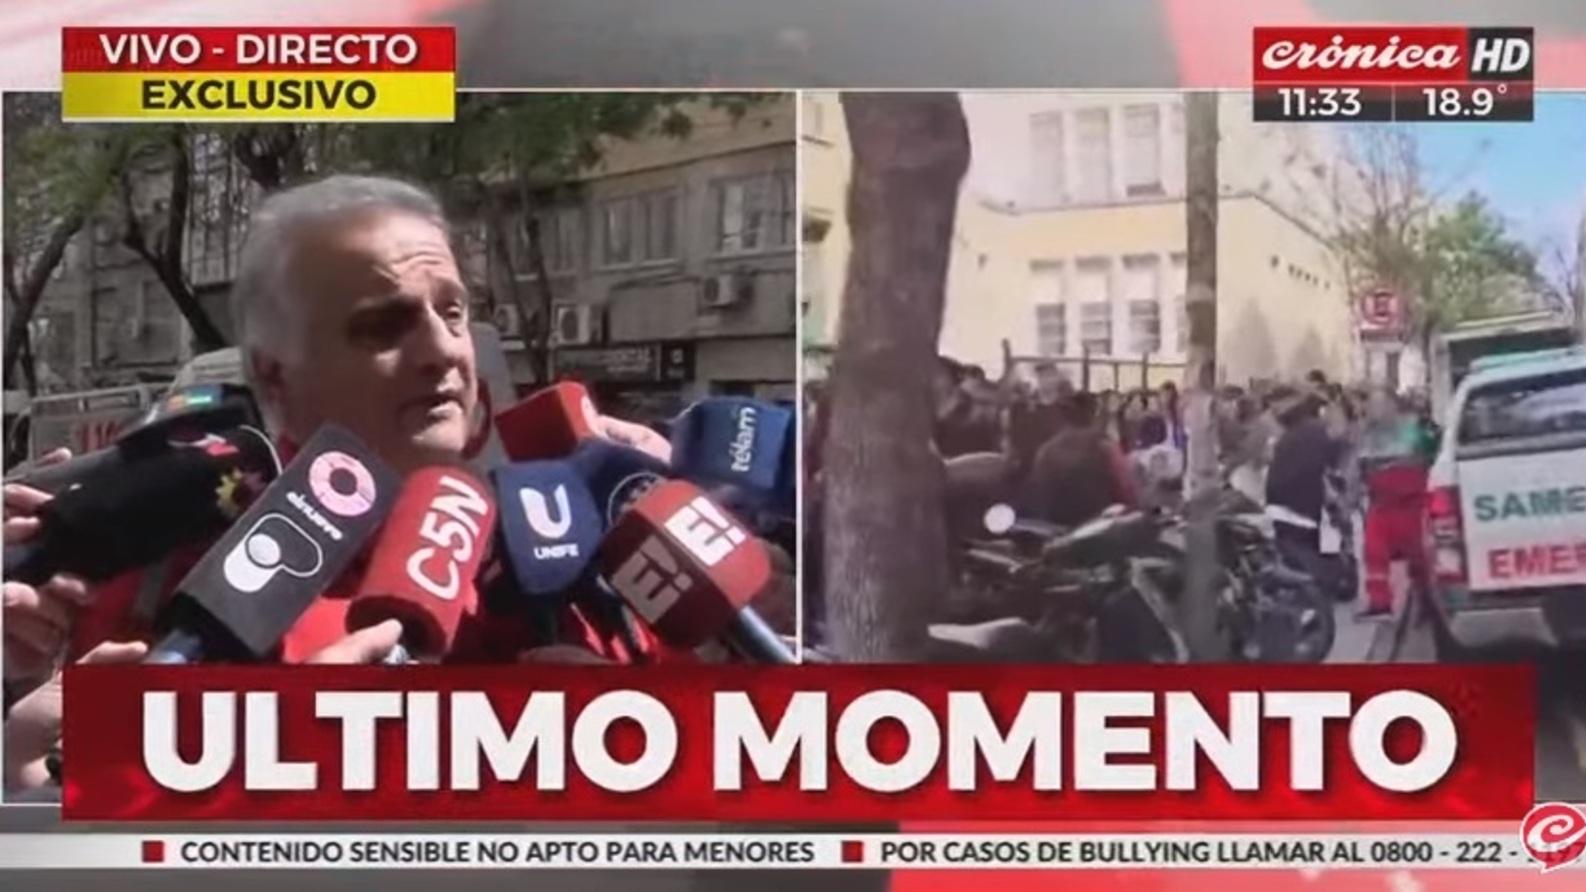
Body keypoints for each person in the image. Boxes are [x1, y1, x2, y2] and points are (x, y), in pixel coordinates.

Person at [2, 175, 675, 690]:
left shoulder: (573, 555)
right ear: (274, 376)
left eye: (454, 313)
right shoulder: (143, 589)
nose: (443, 351)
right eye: (383, 325)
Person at [1356, 387, 1431, 620]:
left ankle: (1427, 600)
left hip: (1412, 503)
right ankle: (1380, 603)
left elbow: (1428, 456)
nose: (1373, 410)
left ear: (1393, 405)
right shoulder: (1368, 433)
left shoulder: (1414, 428)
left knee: (1420, 556)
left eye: (1379, 404)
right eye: (1371, 405)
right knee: (1373, 552)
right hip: (1382, 504)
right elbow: (1360, 465)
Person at [1264, 387, 1347, 576]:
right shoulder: (1315, 431)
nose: (1273, 414)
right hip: (1308, 506)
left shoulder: (1291, 437)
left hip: (1288, 505)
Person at [1024, 391, 1138, 527]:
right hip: (1097, 530)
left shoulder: (1046, 450)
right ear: (1094, 414)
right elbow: (1125, 490)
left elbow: (1035, 493)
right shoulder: (1105, 447)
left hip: (1054, 530)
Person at [1007, 361, 1070, 475]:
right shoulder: (1022, 407)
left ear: (1057, 379)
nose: (1047, 380)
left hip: (1057, 471)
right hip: (1027, 469)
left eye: (1050, 375)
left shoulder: (1068, 409)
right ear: (1037, 378)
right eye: (1042, 376)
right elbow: (1014, 436)